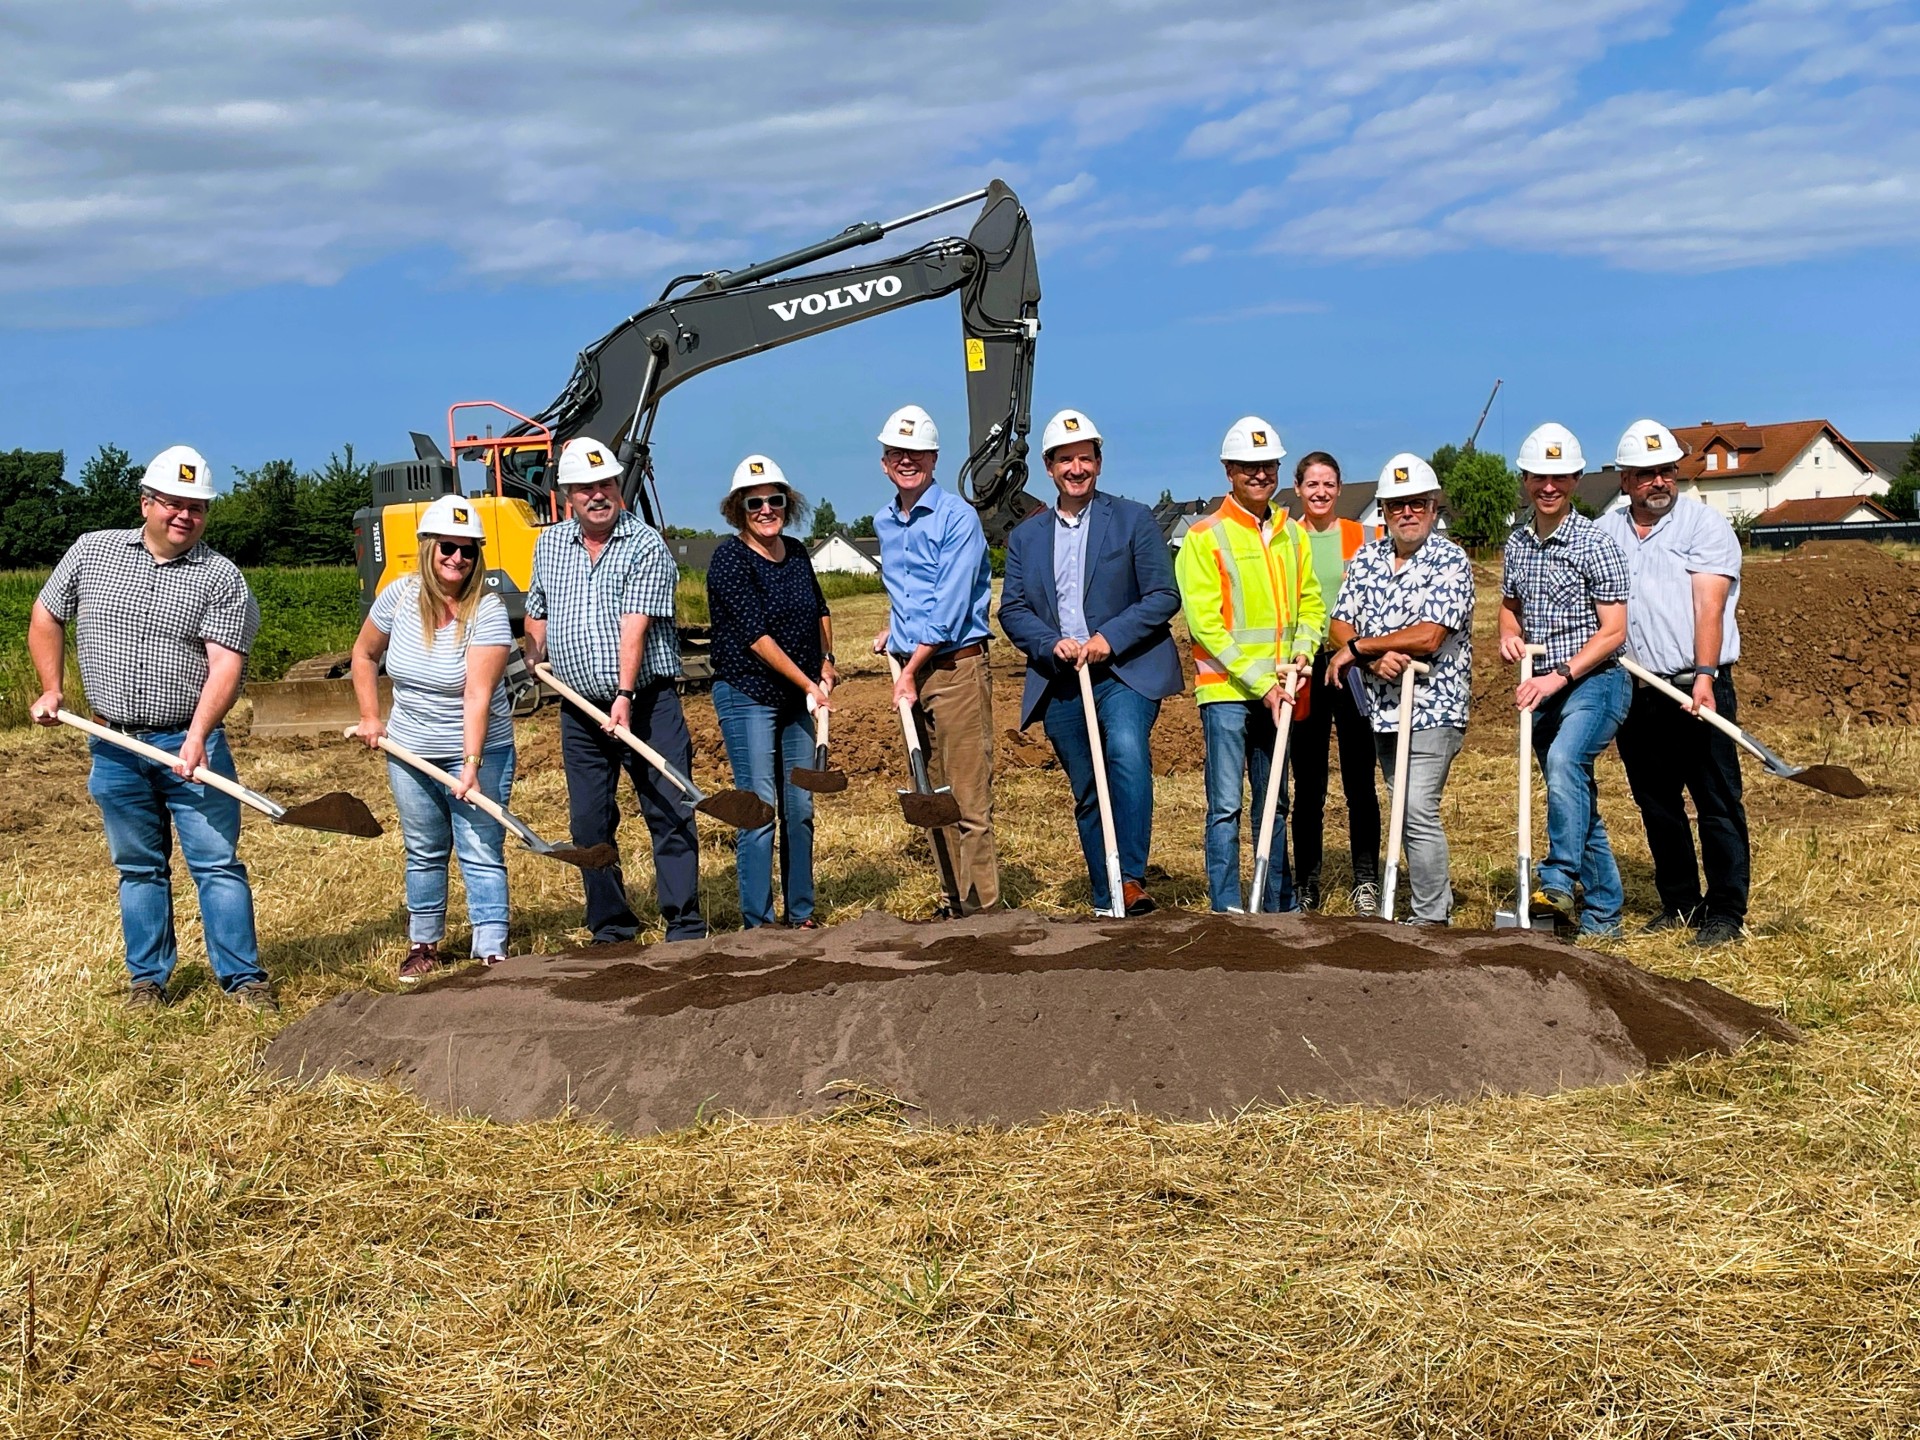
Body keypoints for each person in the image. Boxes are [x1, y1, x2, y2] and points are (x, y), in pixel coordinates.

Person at [28, 446, 273, 1010]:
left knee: (216, 863)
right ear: (147, 503)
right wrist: (51, 687)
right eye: (173, 503)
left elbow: (227, 665)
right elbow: (46, 614)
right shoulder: (93, 553)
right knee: (138, 867)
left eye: (197, 507)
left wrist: (197, 735)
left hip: (190, 741)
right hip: (114, 743)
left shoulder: (220, 577)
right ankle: (148, 981)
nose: (185, 516)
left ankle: (243, 981)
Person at [997, 409, 1182, 915]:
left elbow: (1163, 595)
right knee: (1086, 785)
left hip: (1124, 669)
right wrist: (1047, 643)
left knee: (1124, 751)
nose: (1076, 468)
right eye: (1065, 460)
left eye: (1085, 458)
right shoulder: (1027, 537)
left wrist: (1108, 638)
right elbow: (1011, 608)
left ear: (1098, 463)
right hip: (1062, 677)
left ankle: (1130, 879)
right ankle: (1106, 895)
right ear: (1048, 468)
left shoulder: (1133, 518)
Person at [525, 436, 706, 944]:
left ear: (616, 488)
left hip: (645, 703)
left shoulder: (644, 544)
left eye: (604, 484)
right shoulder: (549, 546)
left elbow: (636, 627)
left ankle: (685, 925)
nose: (597, 495)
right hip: (580, 712)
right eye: (585, 488)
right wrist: (533, 652)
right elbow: (537, 608)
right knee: (588, 823)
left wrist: (624, 696)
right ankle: (611, 927)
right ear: (568, 497)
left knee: (669, 809)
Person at [350, 494, 516, 979]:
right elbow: (364, 656)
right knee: (424, 847)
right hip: (409, 749)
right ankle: (424, 944)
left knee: (480, 844)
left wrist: (469, 766)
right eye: (448, 546)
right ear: (427, 546)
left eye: (468, 550)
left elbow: (476, 697)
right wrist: (370, 716)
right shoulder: (398, 597)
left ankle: (491, 947)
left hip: (480, 748)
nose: (457, 559)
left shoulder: (486, 610)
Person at [1598, 419, 1749, 946]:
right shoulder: (1607, 529)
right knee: (1657, 802)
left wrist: (1705, 677)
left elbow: (1708, 606)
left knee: (1716, 798)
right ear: (1625, 480)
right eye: (1646, 474)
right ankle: (1681, 902)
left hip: (1696, 684)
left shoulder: (1703, 527)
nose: (1659, 481)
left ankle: (1727, 911)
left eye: (1666, 471)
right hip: (1637, 689)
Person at [1175, 416, 1326, 914]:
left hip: (1280, 688)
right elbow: (1206, 625)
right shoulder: (1204, 536)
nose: (1260, 475)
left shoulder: (1292, 534)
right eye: (1249, 467)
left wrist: (1303, 653)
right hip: (1227, 693)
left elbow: (1311, 604)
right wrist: (1262, 683)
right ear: (1229, 471)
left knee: (1274, 804)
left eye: (1268, 466)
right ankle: (1226, 908)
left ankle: (1277, 906)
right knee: (1225, 807)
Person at [1327, 456, 1474, 925]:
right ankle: (1429, 903)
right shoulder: (1367, 558)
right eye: (1396, 506)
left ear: (1433, 508)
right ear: (1384, 511)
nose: (1406, 513)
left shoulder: (1450, 560)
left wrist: (1361, 647)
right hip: (1383, 709)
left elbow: (1430, 636)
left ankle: (1432, 917)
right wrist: (1371, 655)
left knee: (1415, 808)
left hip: (1435, 706)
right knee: (1403, 805)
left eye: (1417, 504)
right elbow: (1339, 623)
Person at [1498, 422, 1632, 938]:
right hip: (1542, 685)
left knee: (1563, 762)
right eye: (1538, 477)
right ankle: (1603, 917)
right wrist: (1509, 636)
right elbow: (1509, 609)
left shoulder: (1596, 543)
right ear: (1526, 480)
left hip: (1595, 682)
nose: (1548, 486)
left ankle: (1554, 878)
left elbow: (1613, 632)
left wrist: (1558, 676)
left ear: (1575, 479)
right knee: (1575, 796)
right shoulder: (1517, 545)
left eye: (1559, 477)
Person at [870, 404, 1000, 914]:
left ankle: (983, 910)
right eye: (898, 454)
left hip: (954, 670)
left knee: (967, 798)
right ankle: (952, 900)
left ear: (934, 459)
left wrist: (908, 668)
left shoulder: (957, 519)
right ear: (884, 463)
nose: (908, 462)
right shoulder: (885, 521)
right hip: (913, 668)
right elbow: (909, 593)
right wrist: (895, 630)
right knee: (930, 795)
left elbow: (947, 608)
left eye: (917, 454)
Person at [706, 455, 837, 929]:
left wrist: (827, 662)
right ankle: (757, 923)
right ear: (739, 509)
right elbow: (756, 637)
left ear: (787, 503)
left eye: (774, 500)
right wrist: (807, 683)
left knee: (799, 806)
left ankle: (801, 912)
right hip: (748, 694)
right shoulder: (730, 558)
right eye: (755, 502)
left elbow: (820, 610)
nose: (766, 509)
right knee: (759, 807)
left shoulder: (797, 553)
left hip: (797, 699)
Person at [1287, 450, 1382, 914]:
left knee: (1360, 779)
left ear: (1339, 489)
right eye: (1312, 484)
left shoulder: (1363, 536)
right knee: (1307, 784)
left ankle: (1366, 879)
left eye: (1328, 484)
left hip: (1353, 668)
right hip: (1305, 669)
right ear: (1299, 488)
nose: (1320, 492)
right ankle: (1306, 882)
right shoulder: (1286, 538)